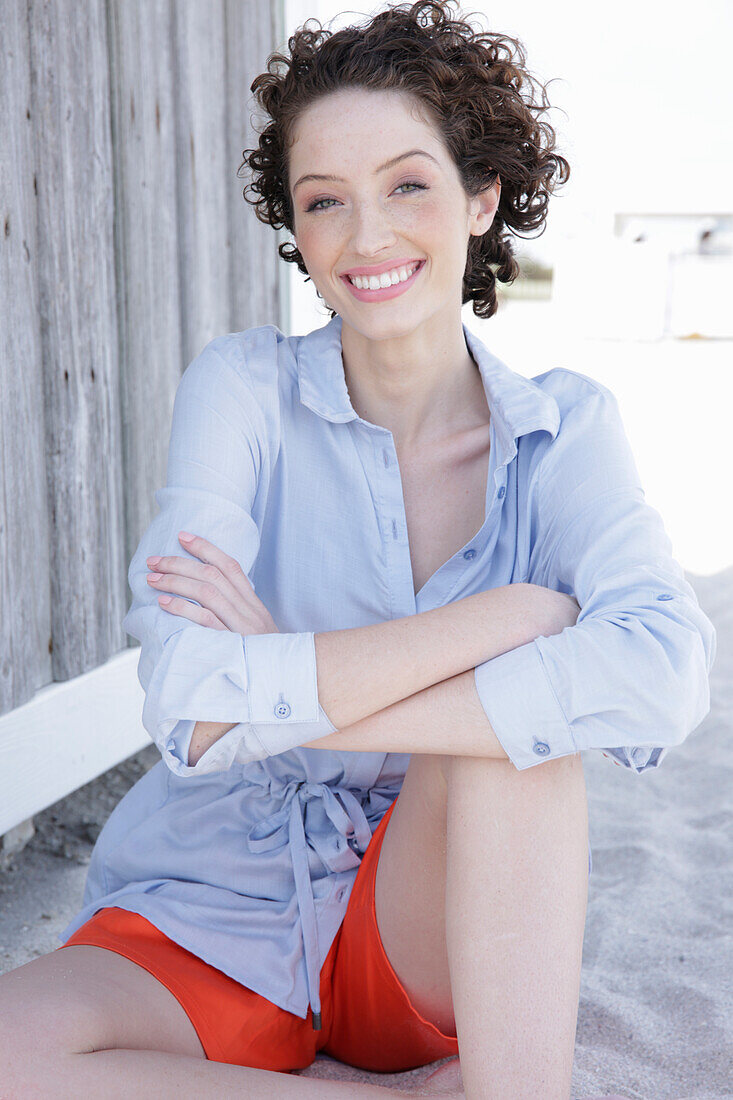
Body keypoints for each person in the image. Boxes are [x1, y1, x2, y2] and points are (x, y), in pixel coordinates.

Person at [0, 2, 716, 1097]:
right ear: (297, 227)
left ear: (481, 198)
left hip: (419, 920)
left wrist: (285, 688)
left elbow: (662, 673)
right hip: (215, 896)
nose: (367, 236)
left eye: (408, 185)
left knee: (520, 743)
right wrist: (490, 628)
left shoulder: (567, 426)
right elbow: (187, 699)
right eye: (323, 200)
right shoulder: (240, 387)